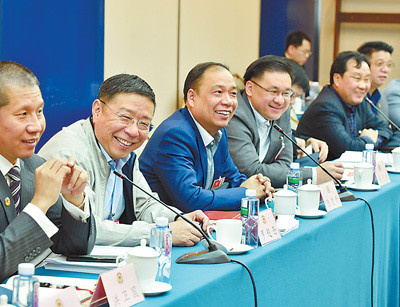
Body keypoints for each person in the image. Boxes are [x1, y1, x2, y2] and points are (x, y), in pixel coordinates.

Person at [39, 74, 210, 247]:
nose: (133, 131)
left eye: (144, 124)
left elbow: (144, 204)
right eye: (125, 118)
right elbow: (86, 229)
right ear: (97, 110)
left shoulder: (123, 153)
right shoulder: (69, 155)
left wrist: (179, 218)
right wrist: (159, 233)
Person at [0, 61, 95, 283]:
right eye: (22, 114)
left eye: (40, 112)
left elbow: (73, 246)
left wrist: (74, 201)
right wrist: (39, 203)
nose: (36, 126)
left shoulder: (35, 165)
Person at [139, 62, 273, 212]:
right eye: (218, 92)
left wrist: (258, 184)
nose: (228, 101)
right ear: (191, 97)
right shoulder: (175, 135)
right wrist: (248, 193)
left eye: (233, 93)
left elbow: (232, 176)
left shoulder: (218, 132)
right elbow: (190, 199)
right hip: (162, 228)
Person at [226, 55, 343, 188]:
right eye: (273, 91)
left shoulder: (282, 111)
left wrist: (274, 171)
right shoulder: (235, 113)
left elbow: (286, 164)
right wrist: (313, 175)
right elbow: (251, 170)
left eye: (286, 93)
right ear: (250, 88)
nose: (280, 100)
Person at [296, 51, 393, 160]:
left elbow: (385, 129)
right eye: (357, 78)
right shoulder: (326, 106)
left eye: (366, 79)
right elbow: (347, 149)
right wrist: (368, 140)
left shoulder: (360, 101)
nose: (363, 86)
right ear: (337, 79)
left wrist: (372, 140)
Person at [357, 41, 394, 114]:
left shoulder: (382, 100)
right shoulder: (353, 98)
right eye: (379, 64)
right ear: (364, 65)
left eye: (389, 65)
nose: (386, 70)